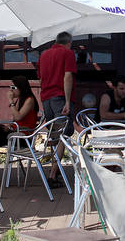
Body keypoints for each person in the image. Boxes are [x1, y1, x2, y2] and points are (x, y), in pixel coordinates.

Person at [37, 31, 76, 187]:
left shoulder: (44, 55)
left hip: (46, 97)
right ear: (69, 42)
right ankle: (53, 174)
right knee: (63, 133)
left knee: (54, 133)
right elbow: (67, 76)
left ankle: (55, 170)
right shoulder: (68, 53)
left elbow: (41, 77)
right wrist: (67, 101)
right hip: (59, 96)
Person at [0, 75, 41, 147]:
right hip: (16, 133)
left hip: (23, 137)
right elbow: (17, 120)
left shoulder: (29, 100)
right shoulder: (20, 99)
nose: (11, 90)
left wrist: (11, 101)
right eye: (10, 87)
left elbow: (18, 117)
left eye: (13, 87)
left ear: (21, 88)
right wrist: (9, 126)